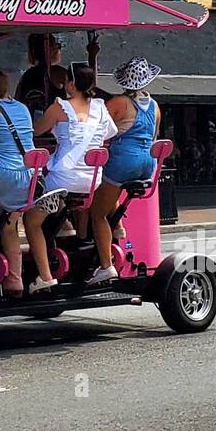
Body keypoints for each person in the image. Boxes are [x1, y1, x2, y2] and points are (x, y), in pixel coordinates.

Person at [0, 69, 66, 296]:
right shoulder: (22, 109)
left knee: (5, 223)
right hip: (31, 176)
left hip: (2, 178)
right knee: (14, 220)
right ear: (7, 87)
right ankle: (26, 277)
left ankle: (13, 278)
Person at [86, 57, 161, 284]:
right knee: (109, 191)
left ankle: (106, 266)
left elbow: (95, 125)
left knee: (96, 213)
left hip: (124, 161)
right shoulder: (155, 106)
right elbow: (154, 136)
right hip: (148, 163)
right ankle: (118, 226)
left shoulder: (119, 103)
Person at [36, 61, 117, 232]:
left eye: (66, 81)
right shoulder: (100, 107)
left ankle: (62, 227)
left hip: (63, 179)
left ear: (72, 85)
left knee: (32, 214)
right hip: (92, 180)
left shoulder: (60, 107)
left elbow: (36, 131)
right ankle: (67, 226)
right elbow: (112, 131)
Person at [15, 33, 63, 120]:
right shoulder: (58, 73)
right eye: (57, 46)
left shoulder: (28, 75)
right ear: (48, 49)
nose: (59, 49)